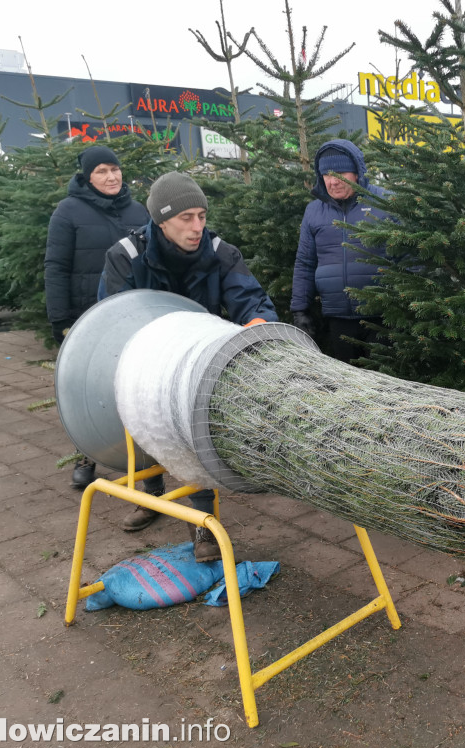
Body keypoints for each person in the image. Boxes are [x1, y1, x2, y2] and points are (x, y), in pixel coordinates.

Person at [98, 171, 278, 561]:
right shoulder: (125, 257)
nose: (197, 227)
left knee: (192, 434)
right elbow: (110, 322)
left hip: (195, 366)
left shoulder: (221, 253)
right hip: (143, 364)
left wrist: (258, 327)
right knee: (141, 426)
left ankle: (203, 526)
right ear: (161, 220)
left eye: (202, 216)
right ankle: (151, 497)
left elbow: (252, 302)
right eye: (186, 218)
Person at [45, 145, 152, 490]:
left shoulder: (138, 211)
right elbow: (56, 267)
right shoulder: (68, 212)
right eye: (102, 171)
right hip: (86, 315)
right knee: (87, 388)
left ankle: (148, 466)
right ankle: (86, 454)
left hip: (131, 315)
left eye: (115, 169)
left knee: (137, 386)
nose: (111, 177)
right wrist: (60, 319)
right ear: (87, 177)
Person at [290, 139, 390, 362]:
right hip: (337, 318)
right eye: (326, 175)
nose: (332, 181)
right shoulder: (314, 211)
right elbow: (305, 263)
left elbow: (406, 257)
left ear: (357, 172)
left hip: (382, 318)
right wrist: (300, 310)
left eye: (340, 173)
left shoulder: (384, 203)